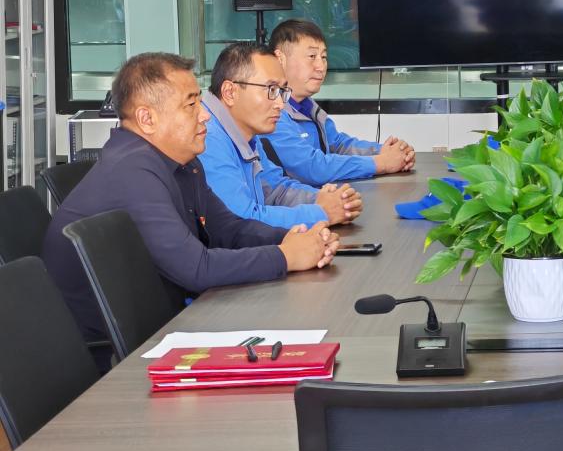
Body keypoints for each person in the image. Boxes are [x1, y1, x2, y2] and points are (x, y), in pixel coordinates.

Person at [42, 52, 340, 355]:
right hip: (116, 359)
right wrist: (285, 257)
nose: (205, 115)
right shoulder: (133, 170)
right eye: (191, 105)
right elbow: (196, 268)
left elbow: (229, 229)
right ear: (147, 119)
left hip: (165, 325)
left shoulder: (182, 162)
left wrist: (297, 239)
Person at [199, 42, 363, 229]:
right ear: (230, 92)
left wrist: (322, 199)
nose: (280, 104)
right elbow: (242, 221)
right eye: (271, 90)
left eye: (282, 91)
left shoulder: (245, 129)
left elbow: (275, 189)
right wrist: (322, 213)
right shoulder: (207, 137)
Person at [263, 19, 415, 185]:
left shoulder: (307, 106)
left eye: (324, 57)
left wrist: (386, 151)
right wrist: (381, 163)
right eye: (312, 56)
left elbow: (338, 144)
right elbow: (313, 168)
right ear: (280, 59)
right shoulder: (271, 112)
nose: (321, 66)